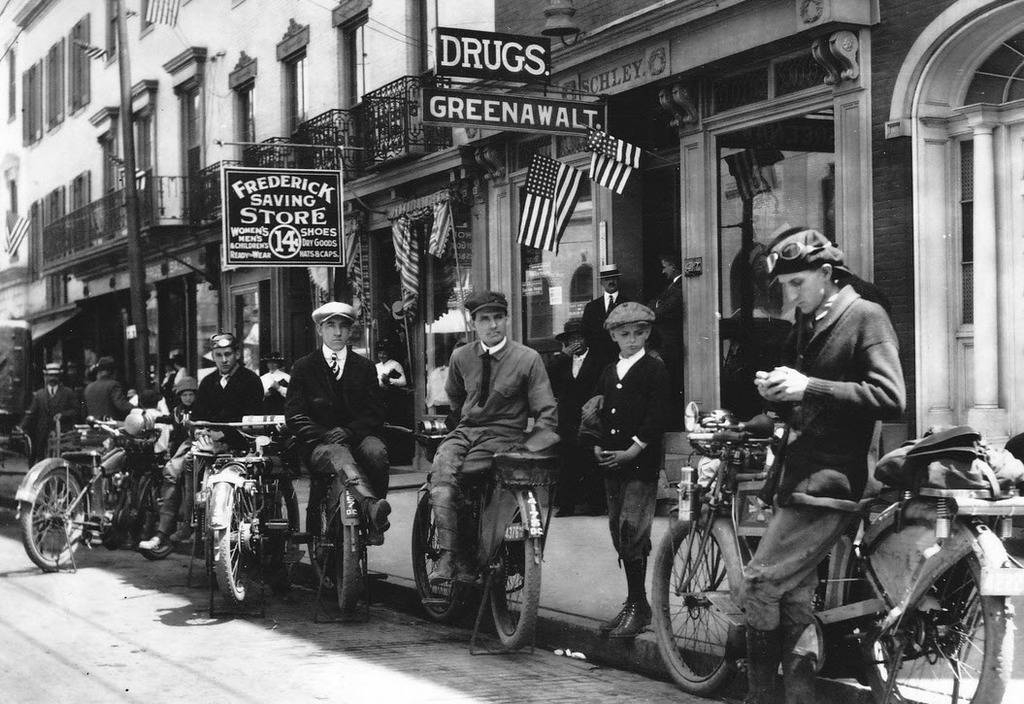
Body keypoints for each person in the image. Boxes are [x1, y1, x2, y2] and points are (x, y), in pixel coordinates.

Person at [744, 227, 905, 704]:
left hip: (831, 482)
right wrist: (778, 396)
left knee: (758, 582)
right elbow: (809, 398)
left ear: (827, 274)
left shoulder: (864, 316)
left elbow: (891, 397)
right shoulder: (811, 321)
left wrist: (806, 387)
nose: (791, 297)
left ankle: (759, 697)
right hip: (798, 476)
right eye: (784, 288)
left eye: (797, 284)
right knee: (792, 596)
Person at [428, 290, 558, 584]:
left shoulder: (528, 359)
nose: (493, 325)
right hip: (465, 433)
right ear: (474, 323)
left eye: (498, 317)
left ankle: (477, 553)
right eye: (484, 319)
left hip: (502, 437)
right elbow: (456, 397)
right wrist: (459, 426)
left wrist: (528, 448)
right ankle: (451, 557)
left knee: (464, 477)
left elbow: (546, 412)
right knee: (441, 476)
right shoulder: (461, 356)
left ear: (507, 319)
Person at [580, 302, 671, 639]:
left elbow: (657, 416)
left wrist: (633, 448)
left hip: (639, 463)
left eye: (639, 332)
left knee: (633, 528)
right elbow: (596, 409)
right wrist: (596, 443)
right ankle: (636, 602)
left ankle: (638, 607)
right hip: (611, 463)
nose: (632, 339)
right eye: (624, 333)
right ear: (613, 336)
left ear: (648, 332)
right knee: (619, 530)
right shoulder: (608, 371)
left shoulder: (654, 368)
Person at [139, 333, 264, 551]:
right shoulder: (208, 382)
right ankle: (164, 531)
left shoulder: (250, 380)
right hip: (207, 441)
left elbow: (252, 418)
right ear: (213, 357)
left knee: (190, 463)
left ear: (236, 354)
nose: (224, 360)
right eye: (218, 355)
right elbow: (197, 415)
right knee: (171, 469)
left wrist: (223, 436)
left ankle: (189, 522)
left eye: (228, 354)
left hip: (239, 442)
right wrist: (201, 431)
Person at [285, 302, 392, 545]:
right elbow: (294, 415)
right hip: (320, 445)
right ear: (320, 330)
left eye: (343, 326)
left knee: (377, 452)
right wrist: (324, 433)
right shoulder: (303, 367)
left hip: (358, 438)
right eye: (330, 326)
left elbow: (375, 412)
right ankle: (372, 507)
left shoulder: (364, 366)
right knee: (339, 455)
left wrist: (349, 430)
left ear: (351, 331)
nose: (337, 333)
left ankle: (375, 523)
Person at [548, 318, 605, 517]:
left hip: (589, 417)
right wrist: (563, 356)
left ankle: (595, 505)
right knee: (567, 461)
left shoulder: (598, 360)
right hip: (567, 418)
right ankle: (566, 505)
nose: (576, 342)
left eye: (579, 337)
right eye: (572, 339)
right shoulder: (562, 361)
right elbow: (547, 378)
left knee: (590, 460)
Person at [19, 362, 80, 464]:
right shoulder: (39, 395)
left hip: (61, 436)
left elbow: (76, 411)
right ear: (45, 376)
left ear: (60, 376)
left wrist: (63, 415)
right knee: (42, 463)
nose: (52, 378)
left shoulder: (68, 393)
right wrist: (21, 427)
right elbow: (31, 414)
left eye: (55, 375)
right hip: (42, 436)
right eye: (50, 375)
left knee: (60, 462)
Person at [649, 251, 685, 421]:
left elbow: (662, 310)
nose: (663, 271)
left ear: (673, 266)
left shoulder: (681, 286)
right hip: (665, 344)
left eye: (665, 267)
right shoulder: (672, 286)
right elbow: (654, 304)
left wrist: (657, 307)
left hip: (670, 345)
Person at [582, 263, 631, 366]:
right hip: (598, 360)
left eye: (614, 278)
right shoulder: (591, 307)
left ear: (618, 280)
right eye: (607, 279)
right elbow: (585, 333)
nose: (611, 281)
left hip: (622, 358)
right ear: (601, 282)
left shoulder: (628, 304)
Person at [83, 356, 133, 421]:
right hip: (110, 426)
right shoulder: (113, 385)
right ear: (112, 372)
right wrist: (138, 409)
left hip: (94, 425)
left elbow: (84, 411)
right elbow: (121, 405)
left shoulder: (88, 387)